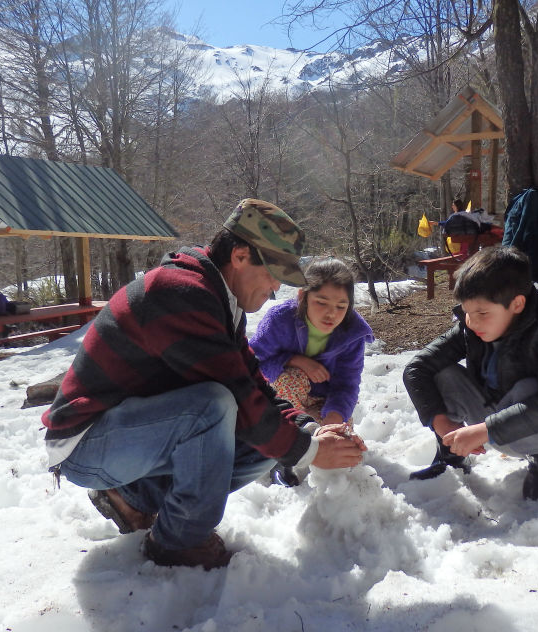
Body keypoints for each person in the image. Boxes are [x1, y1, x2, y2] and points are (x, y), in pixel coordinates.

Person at [42, 199, 367, 570]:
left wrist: (309, 430)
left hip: (133, 437)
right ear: (241, 255)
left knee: (266, 441)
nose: (276, 287)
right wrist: (308, 451)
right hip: (88, 442)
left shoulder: (219, 299)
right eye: (273, 272)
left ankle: (134, 498)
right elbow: (234, 393)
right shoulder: (180, 293)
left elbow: (253, 383)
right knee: (214, 405)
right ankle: (179, 541)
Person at [403, 245, 538, 500]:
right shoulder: (472, 326)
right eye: (467, 312)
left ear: (517, 304)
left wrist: (482, 431)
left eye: (482, 313)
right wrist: (442, 424)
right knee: (440, 373)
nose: (472, 322)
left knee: (529, 387)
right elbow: (417, 368)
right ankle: (451, 457)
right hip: (493, 416)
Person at [250, 256, 373, 426]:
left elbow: (346, 385)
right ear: (302, 296)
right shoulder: (280, 320)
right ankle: (290, 430)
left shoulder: (352, 333)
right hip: (281, 404)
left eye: (341, 306)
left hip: (326, 403)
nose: (331, 314)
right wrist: (293, 360)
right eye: (321, 303)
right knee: (291, 379)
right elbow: (254, 364)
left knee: (342, 446)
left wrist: (333, 420)